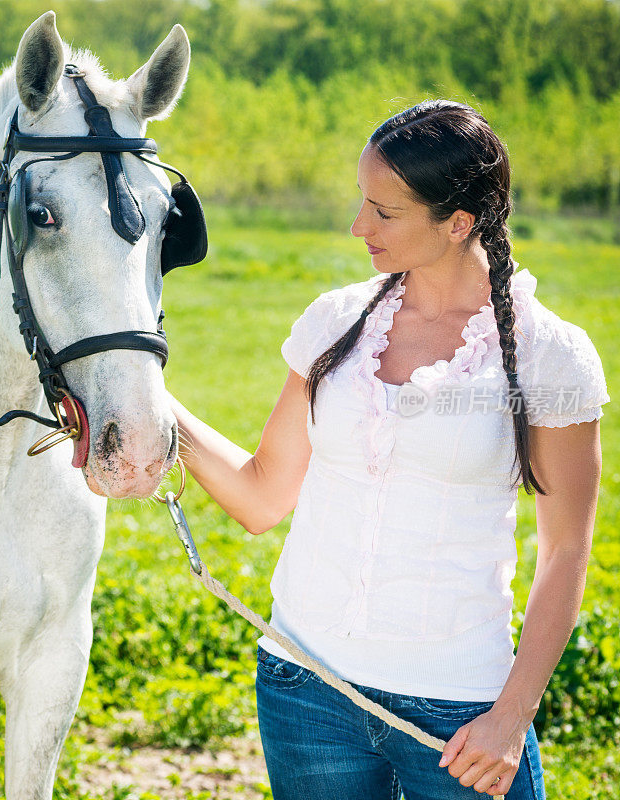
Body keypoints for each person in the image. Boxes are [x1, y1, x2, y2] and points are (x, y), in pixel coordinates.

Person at [167, 100, 610, 799]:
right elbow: (261, 495)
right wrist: (148, 408)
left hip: (461, 710)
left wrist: (511, 716)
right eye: (360, 202)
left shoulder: (550, 357)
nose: (357, 226)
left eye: (384, 211)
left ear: (458, 222)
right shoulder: (335, 323)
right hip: (305, 687)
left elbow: (564, 554)